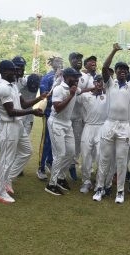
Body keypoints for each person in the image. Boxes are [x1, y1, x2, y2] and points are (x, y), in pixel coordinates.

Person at [92, 43, 130, 204]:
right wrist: (114, 50)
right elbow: (104, 67)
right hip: (109, 124)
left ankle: (120, 191)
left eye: (125, 69)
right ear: (115, 72)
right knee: (104, 158)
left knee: (122, 160)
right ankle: (100, 188)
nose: (122, 71)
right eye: (119, 69)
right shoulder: (110, 84)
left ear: (128, 73)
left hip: (124, 126)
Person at [0, 60, 45, 204]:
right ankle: (0, 192)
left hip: (18, 124)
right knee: (7, 160)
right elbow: (11, 112)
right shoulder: (3, 87)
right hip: (9, 126)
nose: (16, 72)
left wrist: (39, 98)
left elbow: (22, 104)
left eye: (16, 70)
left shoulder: (13, 85)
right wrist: (32, 112)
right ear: (3, 72)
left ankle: (8, 179)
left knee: (27, 151)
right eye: (12, 70)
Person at [44, 68, 90, 196]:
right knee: (60, 154)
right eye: (74, 77)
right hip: (56, 123)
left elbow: (82, 91)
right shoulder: (59, 89)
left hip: (67, 123)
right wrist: (70, 95)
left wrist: (95, 89)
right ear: (66, 77)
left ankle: (61, 178)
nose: (76, 80)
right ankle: (51, 184)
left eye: (77, 77)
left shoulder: (74, 88)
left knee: (70, 153)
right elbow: (57, 108)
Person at [77, 75, 107, 193]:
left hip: (102, 128)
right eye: (98, 81)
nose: (100, 84)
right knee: (85, 155)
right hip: (88, 127)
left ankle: (100, 183)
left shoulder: (107, 96)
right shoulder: (85, 96)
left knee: (100, 156)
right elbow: (74, 94)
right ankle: (86, 181)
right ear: (94, 82)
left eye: (103, 82)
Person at [68, 52, 95, 181]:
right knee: (64, 143)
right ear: (70, 60)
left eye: (80, 58)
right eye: (76, 58)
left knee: (77, 143)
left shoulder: (85, 76)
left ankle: (72, 165)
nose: (78, 60)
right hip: (65, 115)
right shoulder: (65, 74)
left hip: (78, 116)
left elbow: (92, 91)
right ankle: (54, 165)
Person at [38, 56, 63, 180]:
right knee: (46, 141)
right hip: (49, 112)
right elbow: (45, 96)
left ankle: (50, 162)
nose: (60, 63)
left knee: (56, 142)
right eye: (57, 62)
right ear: (52, 64)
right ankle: (40, 167)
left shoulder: (64, 77)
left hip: (60, 114)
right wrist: (55, 81)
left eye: (61, 61)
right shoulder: (47, 78)